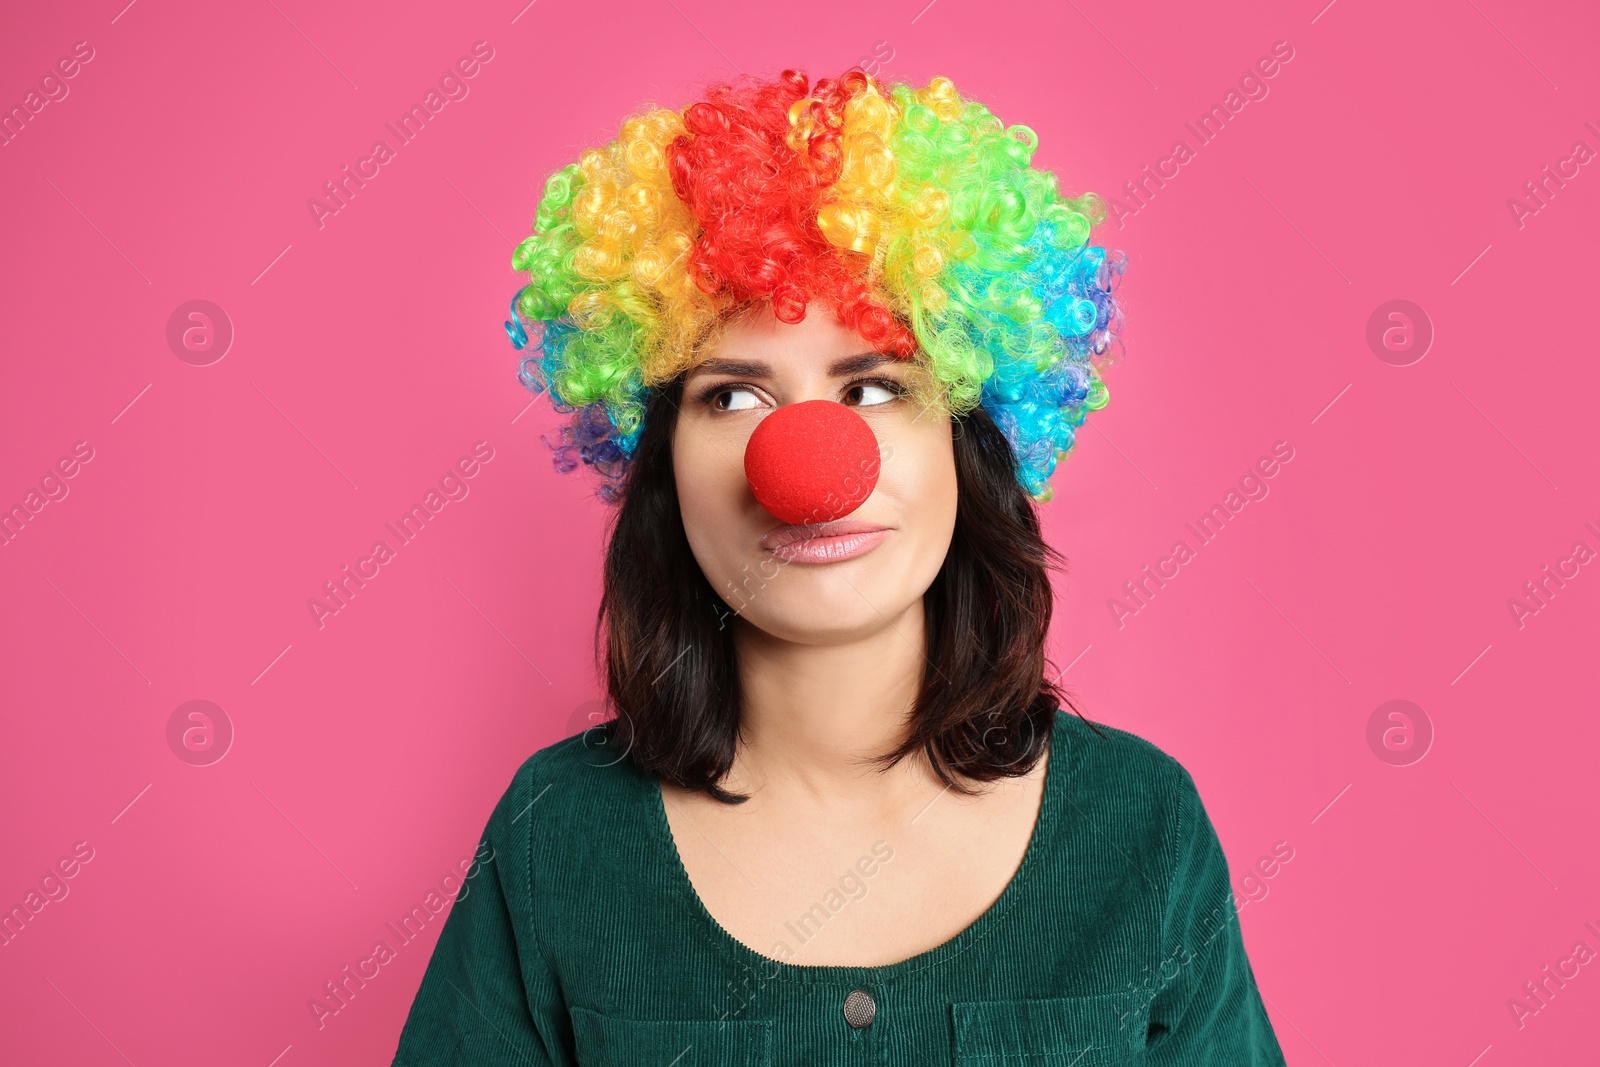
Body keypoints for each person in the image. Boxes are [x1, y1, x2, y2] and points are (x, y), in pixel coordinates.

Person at [391, 66, 1285, 1065]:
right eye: (731, 396)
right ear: (660, 466)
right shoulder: (557, 834)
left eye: (871, 389)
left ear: (968, 440)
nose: (806, 464)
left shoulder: (1139, 824)